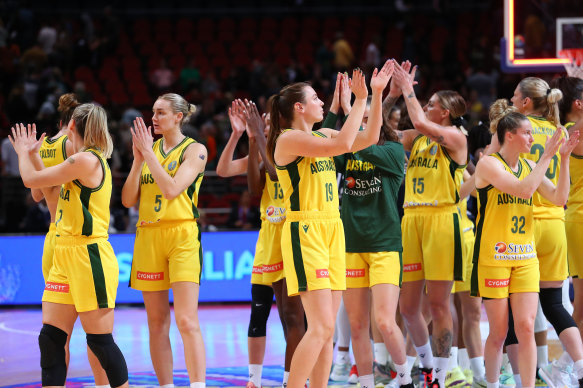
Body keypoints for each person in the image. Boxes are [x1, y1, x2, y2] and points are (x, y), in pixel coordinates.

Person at [266, 60, 394, 388]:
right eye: (316, 99)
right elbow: (342, 145)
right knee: (321, 327)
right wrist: (360, 101)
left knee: (327, 334)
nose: (323, 103)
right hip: (305, 229)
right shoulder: (289, 140)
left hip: (333, 229)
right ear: (299, 107)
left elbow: (368, 137)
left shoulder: (322, 133)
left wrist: (376, 95)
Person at [10, 104, 129, 388]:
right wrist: (35, 156)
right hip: (64, 253)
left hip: (90, 256)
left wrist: (22, 154)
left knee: (100, 342)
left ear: (72, 126)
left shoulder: (87, 160)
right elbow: (43, 192)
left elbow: (29, 180)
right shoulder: (75, 161)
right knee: (50, 339)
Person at [471, 99, 578, 388]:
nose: (533, 138)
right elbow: (523, 190)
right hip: (494, 257)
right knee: (498, 332)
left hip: (525, 256)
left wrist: (564, 159)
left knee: (527, 327)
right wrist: (548, 156)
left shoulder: (530, 164)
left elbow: (558, 198)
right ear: (510, 135)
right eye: (527, 133)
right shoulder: (488, 164)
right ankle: (491, 383)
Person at [324, 63, 412, 388]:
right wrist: (337, 108)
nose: (356, 127)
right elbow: (323, 140)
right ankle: (364, 383)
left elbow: (367, 141)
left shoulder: (391, 152)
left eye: (363, 121)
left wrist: (372, 97)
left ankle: (404, 380)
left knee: (385, 322)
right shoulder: (345, 154)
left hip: (385, 246)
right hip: (351, 246)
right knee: (358, 326)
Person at [216, 98, 306, 388]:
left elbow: (276, 173)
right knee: (259, 312)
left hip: (293, 235)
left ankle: (293, 380)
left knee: (292, 316)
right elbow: (229, 173)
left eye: (267, 121)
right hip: (268, 237)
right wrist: (240, 135)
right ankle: (254, 380)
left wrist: (258, 135)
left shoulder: (295, 149)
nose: (264, 125)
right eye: (261, 121)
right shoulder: (261, 149)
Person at [121, 93, 207, 388]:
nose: (153, 118)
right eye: (153, 113)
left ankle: (198, 385)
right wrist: (137, 160)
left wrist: (149, 155)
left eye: (160, 113)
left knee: (186, 320)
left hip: (181, 235)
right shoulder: (148, 150)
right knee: (156, 323)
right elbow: (128, 199)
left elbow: (171, 190)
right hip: (148, 235)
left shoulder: (195, 150)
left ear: (178, 117)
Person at [391, 62, 468, 388]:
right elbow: (381, 132)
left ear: (446, 113)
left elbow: (419, 120)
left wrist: (408, 87)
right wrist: (388, 95)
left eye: (432, 104)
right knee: (408, 308)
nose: (425, 107)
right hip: (412, 220)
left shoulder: (456, 138)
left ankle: (444, 370)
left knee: (438, 303)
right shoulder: (417, 139)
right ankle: (425, 369)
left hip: (441, 220)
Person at [28, 93, 110, 386]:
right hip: (63, 240)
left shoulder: (62, 148)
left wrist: (29, 155)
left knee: (91, 336)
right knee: (56, 333)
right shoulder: (66, 147)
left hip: (67, 238)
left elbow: (36, 190)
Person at [510, 77, 583, 387]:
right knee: (556, 304)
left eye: (515, 95)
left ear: (527, 101)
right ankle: (574, 368)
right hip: (557, 219)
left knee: (516, 311)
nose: (512, 100)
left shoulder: (516, 126)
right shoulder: (561, 130)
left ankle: (521, 377)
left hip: (525, 222)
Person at [549, 74, 583, 385]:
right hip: (579, 218)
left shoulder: (562, 132)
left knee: (581, 299)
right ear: (578, 103)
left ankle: (567, 365)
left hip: (573, 217)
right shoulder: (576, 132)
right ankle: (569, 366)